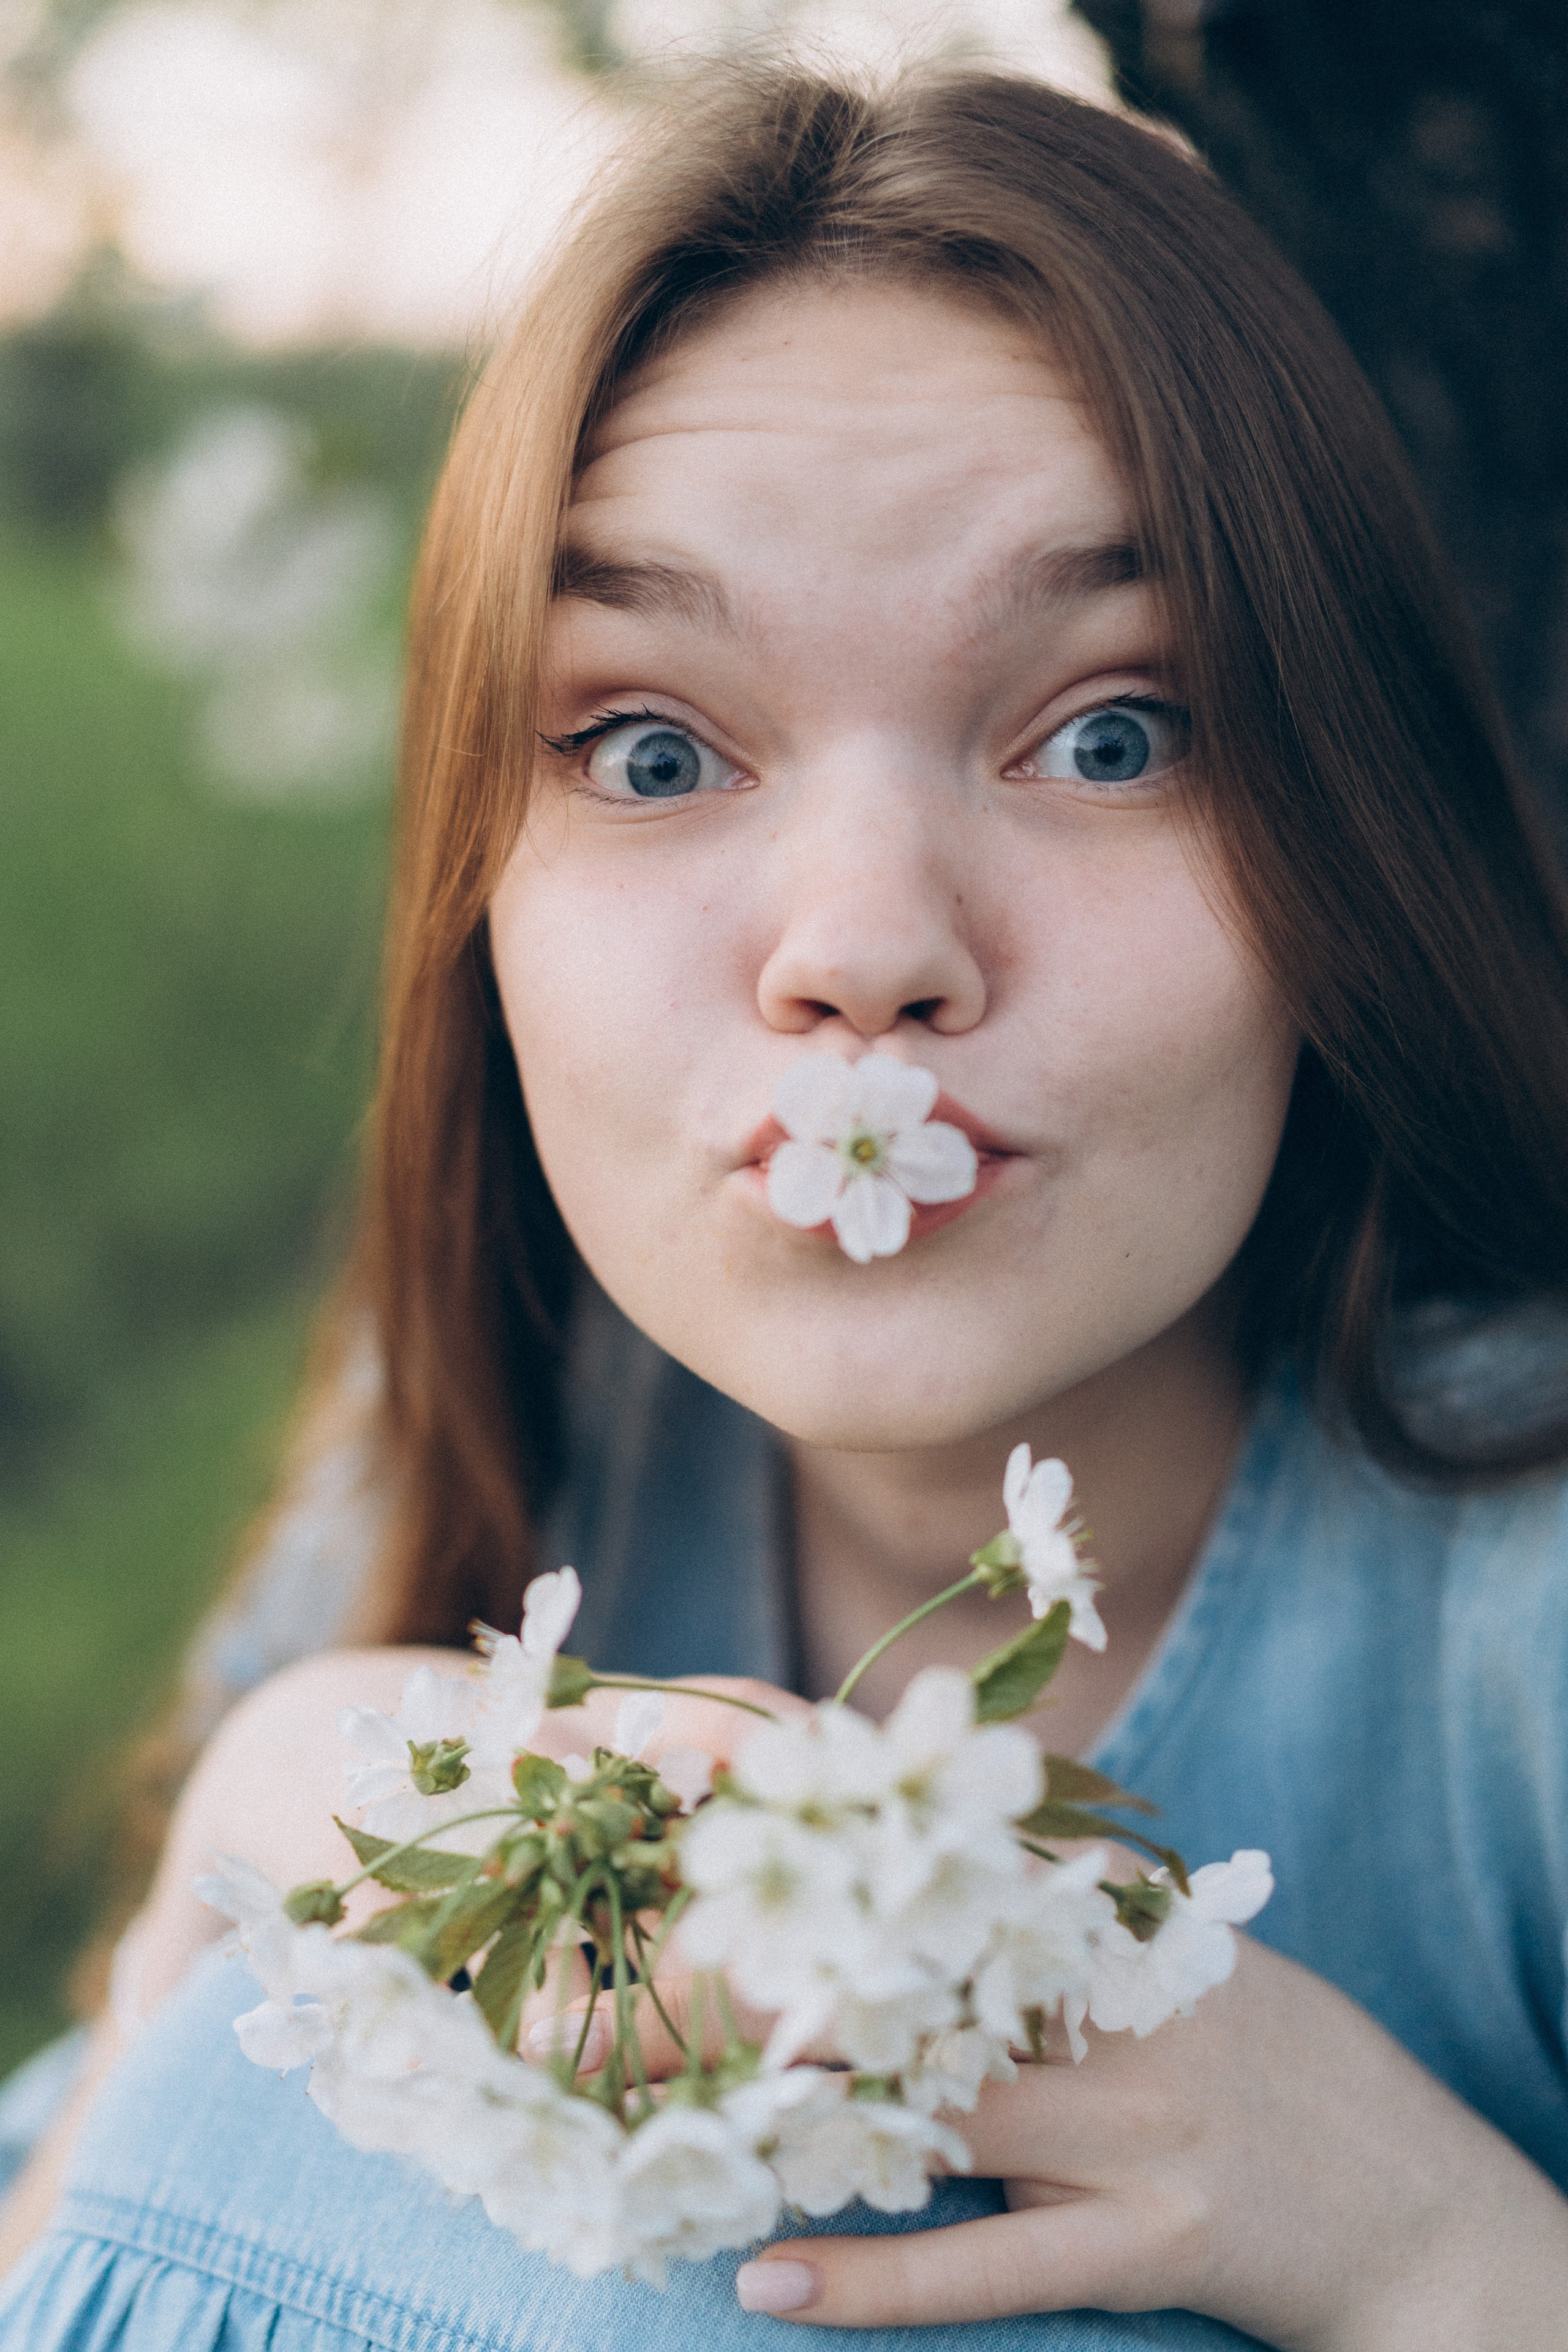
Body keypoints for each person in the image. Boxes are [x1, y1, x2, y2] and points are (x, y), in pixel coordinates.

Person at [2, 59, 1568, 2351]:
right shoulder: (517, 1426)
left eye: (1108, 732)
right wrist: (287, 1775)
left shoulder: (1516, 1604)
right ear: (473, 915)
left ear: (1342, 842)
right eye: (652, 750)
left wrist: (1420, 2243)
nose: (860, 945)